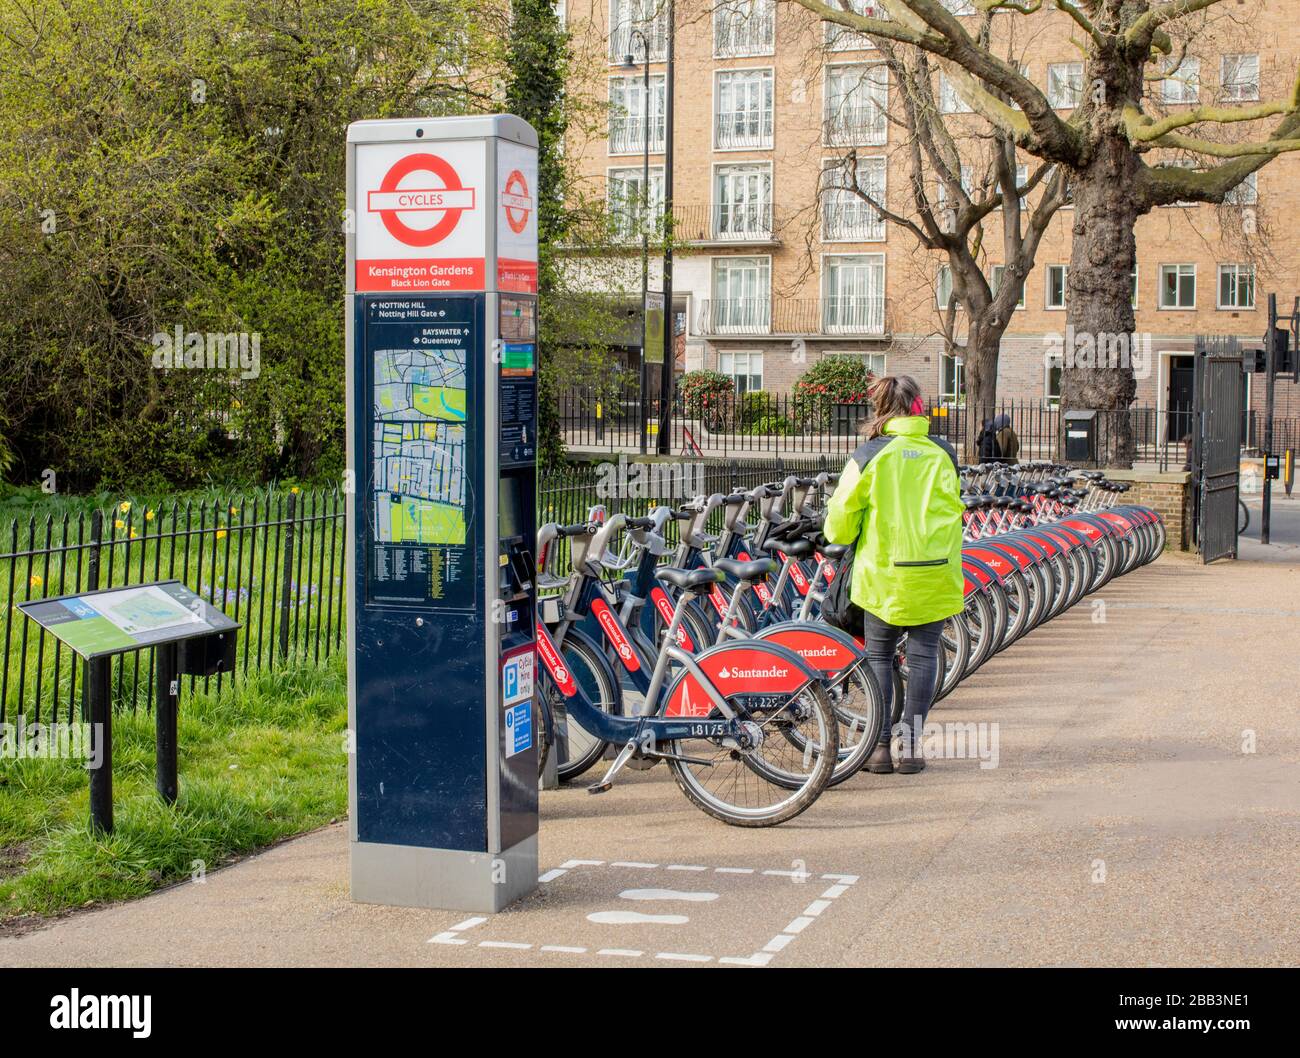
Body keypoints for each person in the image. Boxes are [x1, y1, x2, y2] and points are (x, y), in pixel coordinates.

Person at [824, 374, 965, 774]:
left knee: (879, 659)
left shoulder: (871, 454)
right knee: (923, 659)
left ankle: (880, 747)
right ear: (919, 406)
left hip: (885, 576)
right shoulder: (944, 453)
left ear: (881, 409)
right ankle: (913, 748)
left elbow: (838, 524)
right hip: (935, 574)